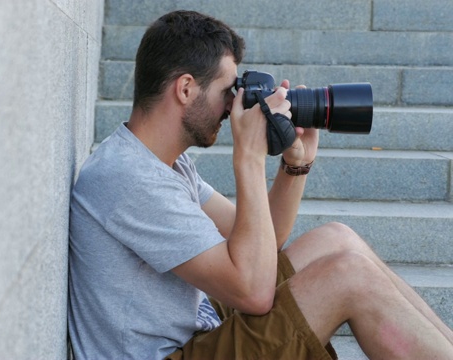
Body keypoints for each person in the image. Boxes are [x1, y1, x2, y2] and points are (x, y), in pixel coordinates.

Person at [68, 10, 453, 359]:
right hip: (172, 353)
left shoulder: (163, 163)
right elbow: (253, 292)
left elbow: (263, 239)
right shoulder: (128, 178)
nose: (232, 107)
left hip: (198, 330)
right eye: (226, 91)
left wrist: (294, 164)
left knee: (337, 239)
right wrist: (248, 158)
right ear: (185, 89)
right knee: (347, 275)